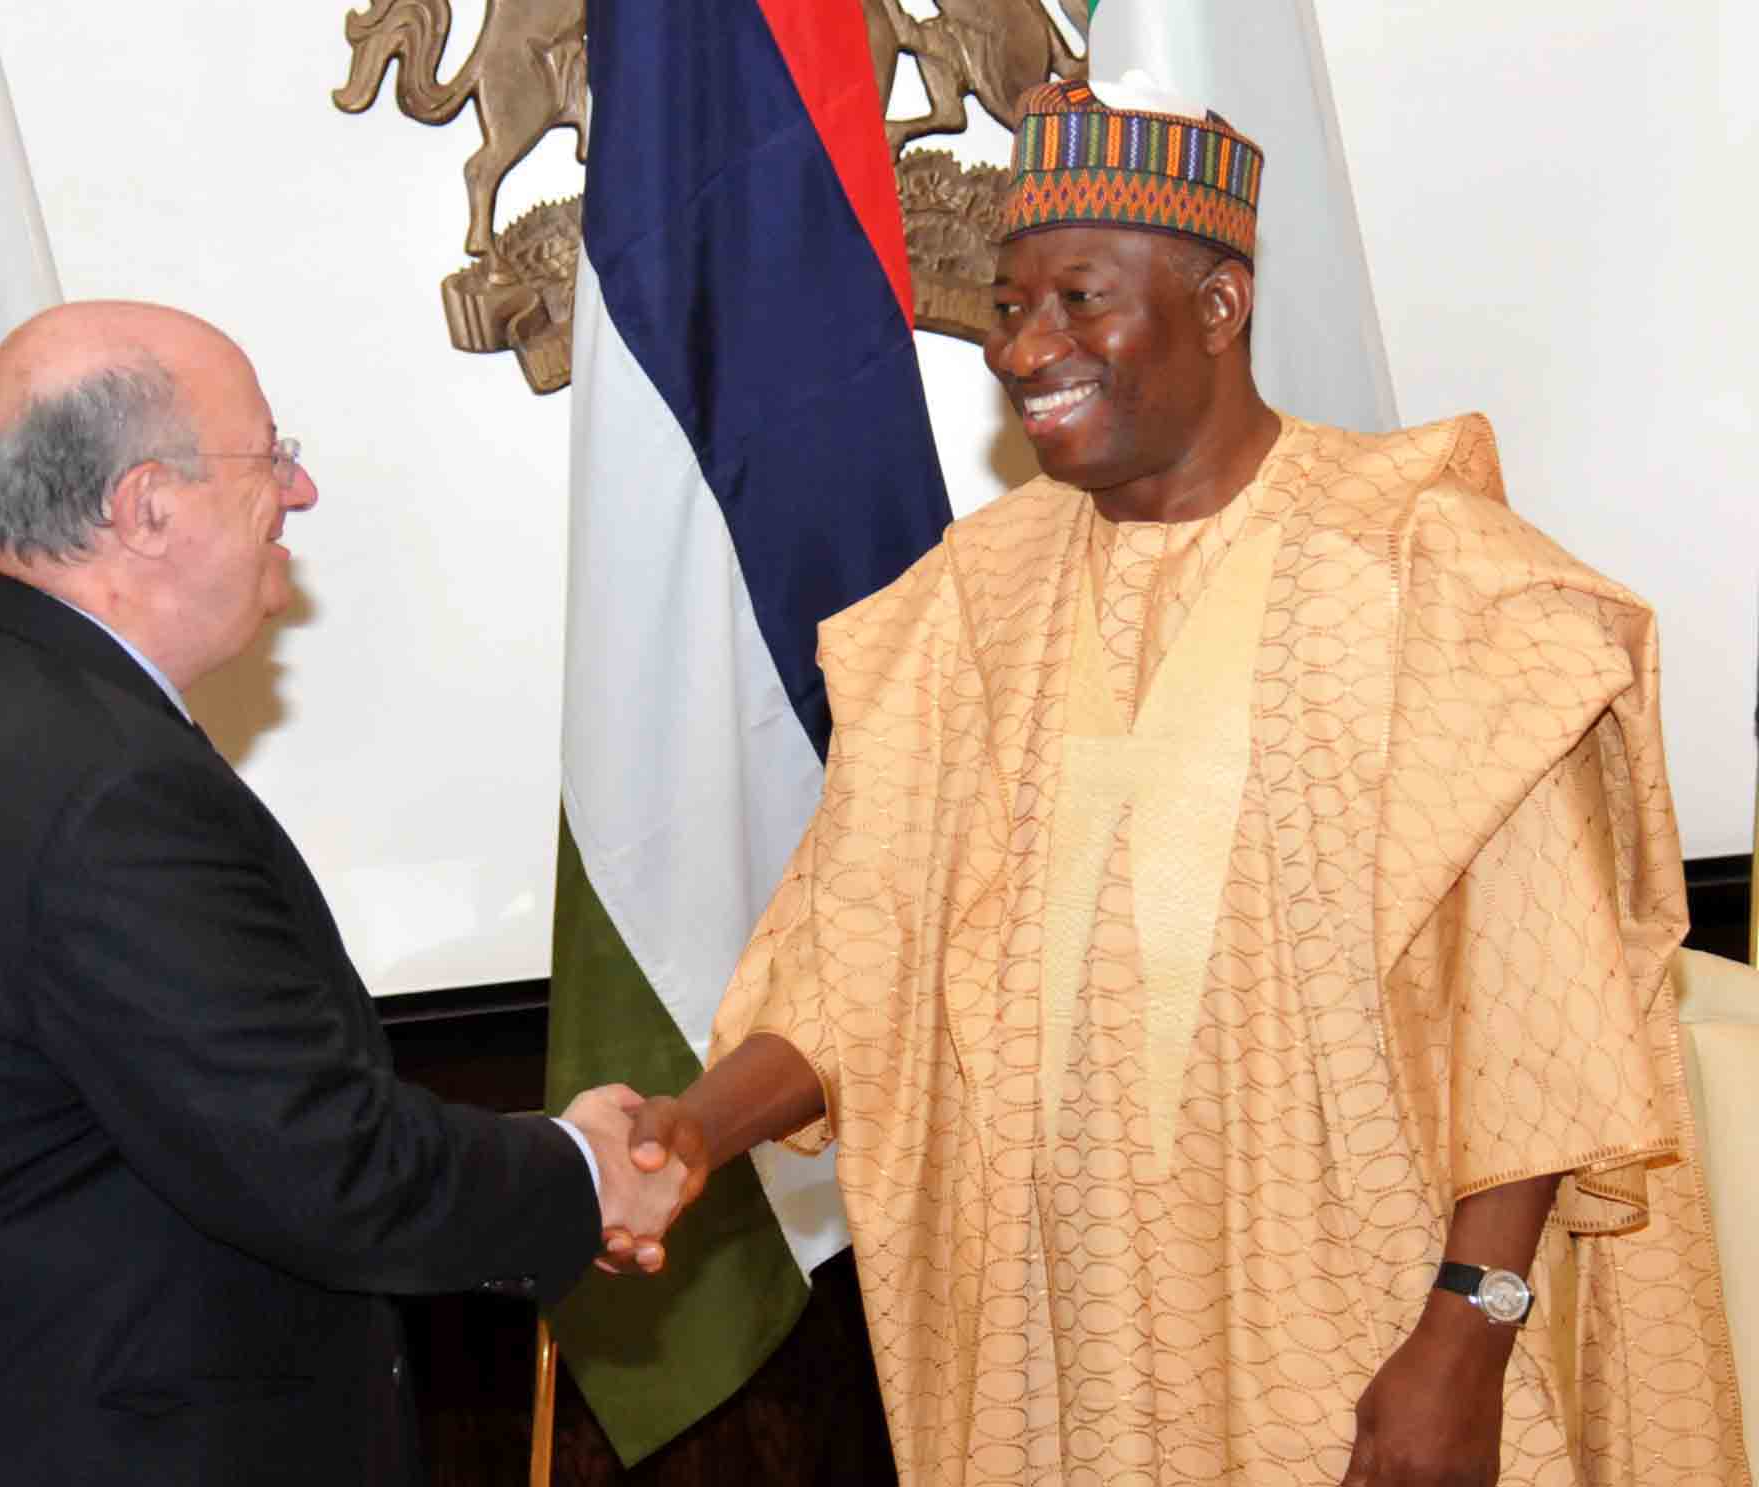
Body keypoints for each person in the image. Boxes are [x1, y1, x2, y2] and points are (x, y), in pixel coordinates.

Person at [617, 77, 1750, 1486]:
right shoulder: (970, 606)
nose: (1024, 347)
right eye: (1008, 306)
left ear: (1219, 306)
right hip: (1061, 1328)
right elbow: (855, 950)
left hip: (1359, 1310)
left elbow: (1539, 999)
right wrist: (693, 1130)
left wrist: (1467, 1329)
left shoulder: (1430, 571)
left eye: (1078, 300)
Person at [0, 301, 681, 1486]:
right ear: (146, 505)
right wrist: (579, 1171)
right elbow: (323, 1163)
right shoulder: (101, 781)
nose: (299, 491)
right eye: (270, 455)